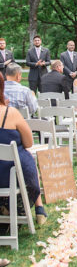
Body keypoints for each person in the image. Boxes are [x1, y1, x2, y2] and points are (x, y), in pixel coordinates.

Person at [0, 73, 47, 225]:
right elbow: (28, 143)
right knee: (27, 158)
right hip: (11, 176)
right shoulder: (10, 113)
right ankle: (39, 208)